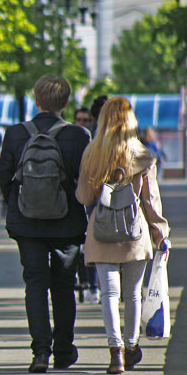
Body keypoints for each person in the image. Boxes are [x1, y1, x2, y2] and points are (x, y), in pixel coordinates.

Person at [0, 75, 91, 373]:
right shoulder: (78, 136)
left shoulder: (14, 134)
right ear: (65, 103)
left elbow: (4, 179)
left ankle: (40, 352)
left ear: (36, 100)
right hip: (66, 223)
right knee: (64, 286)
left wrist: (18, 205)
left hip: (27, 223)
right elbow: (85, 182)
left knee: (35, 284)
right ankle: (64, 350)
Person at [75, 97, 170, 374]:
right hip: (134, 232)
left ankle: (115, 351)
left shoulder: (92, 152)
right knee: (132, 294)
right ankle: (131, 346)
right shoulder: (142, 154)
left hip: (101, 231)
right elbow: (151, 202)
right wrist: (160, 233)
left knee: (108, 293)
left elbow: (83, 196)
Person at [74, 106, 100, 305]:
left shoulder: (94, 143)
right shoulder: (72, 141)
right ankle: (90, 285)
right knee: (85, 246)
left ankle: (94, 285)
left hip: (93, 200)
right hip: (80, 200)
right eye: (79, 120)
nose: (82, 123)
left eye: (85, 120)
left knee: (94, 243)